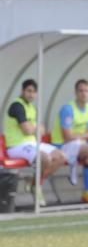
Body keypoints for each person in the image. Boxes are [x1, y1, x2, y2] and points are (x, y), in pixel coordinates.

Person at [6, 79, 67, 207]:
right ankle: (36, 187)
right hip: (16, 146)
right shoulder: (17, 106)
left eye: (34, 92)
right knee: (45, 158)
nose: (31, 94)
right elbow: (27, 130)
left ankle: (35, 183)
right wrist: (36, 128)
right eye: (28, 91)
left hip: (31, 144)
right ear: (22, 91)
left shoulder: (32, 108)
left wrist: (35, 129)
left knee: (61, 156)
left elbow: (42, 130)